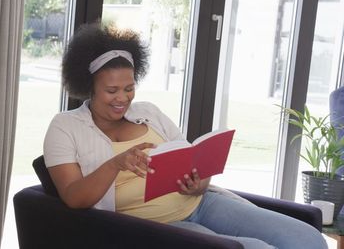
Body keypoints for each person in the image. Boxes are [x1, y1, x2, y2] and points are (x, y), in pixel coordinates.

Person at [43, 23, 327, 249]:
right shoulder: (66, 127)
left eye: (129, 88)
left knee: (306, 238)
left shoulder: (149, 112)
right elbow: (73, 197)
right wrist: (116, 164)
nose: (122, 98)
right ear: (89, 86)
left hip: (202, 202)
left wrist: (199, 182)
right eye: (112, 90)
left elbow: (191, 157)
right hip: (155, 223)